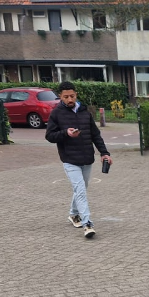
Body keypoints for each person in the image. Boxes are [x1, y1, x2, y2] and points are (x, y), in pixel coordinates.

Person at [45, 81, 111, 239]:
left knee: (81, 189)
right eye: (66, 96)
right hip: (69, 159)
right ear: (60, 97)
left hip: (87, 157)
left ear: (76, 95)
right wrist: (65, 133)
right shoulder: (56, 113)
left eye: (72, 96)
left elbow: (95, 134)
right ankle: (87, 223)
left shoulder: (85, 112)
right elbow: (49, 136)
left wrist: (104, 153)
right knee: (80, 190)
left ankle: (73, 214)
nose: (70, 99)